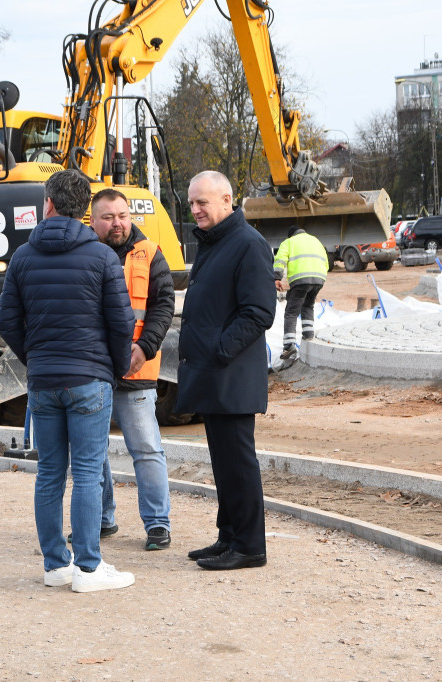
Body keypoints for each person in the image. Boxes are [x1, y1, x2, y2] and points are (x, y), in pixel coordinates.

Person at [0, 170, 137, 593]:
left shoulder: (23, 256)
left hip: (44, 381)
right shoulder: (102, 257)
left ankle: (56, 566)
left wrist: (34, 358)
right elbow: (122, 322)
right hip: (89, 379)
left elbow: (6, 321)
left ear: (50, 205)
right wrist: (111, 370)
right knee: (88, 471)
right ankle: (89, 570)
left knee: (50, 473)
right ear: (85, 208)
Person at [177, 170, 276, 571]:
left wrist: (219, 350)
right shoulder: (216, 242)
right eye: (192, 203)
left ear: (226, 200)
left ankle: (249, 545)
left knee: (238, 462)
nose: (196, 209)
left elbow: (258, 312)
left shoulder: (247, 244)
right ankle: (229, 536)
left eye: (203, 202)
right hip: (214, 376)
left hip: (231, 376)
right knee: (223, 463)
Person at [89, 187, 175, 551]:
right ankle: (102, 520)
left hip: (137, 370)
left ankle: (157, 524)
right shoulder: (83, 255)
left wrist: (146, 346)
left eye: (122, 215)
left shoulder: (151, 253)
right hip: (93, 371)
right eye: (108, 217)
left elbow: (163, 304)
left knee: (147, 449)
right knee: (92, 453)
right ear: (92, 221)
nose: (117, 223)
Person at [273, 226, 328, 361]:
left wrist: (277, 278)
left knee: (291, 311)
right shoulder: (315, 240)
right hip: (319, 278)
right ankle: (308, 334)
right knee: (308, 306)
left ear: (291, 235)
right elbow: (326, 261)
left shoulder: (289, 242)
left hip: (300, 279)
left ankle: (289, 345)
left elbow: (280, 260)